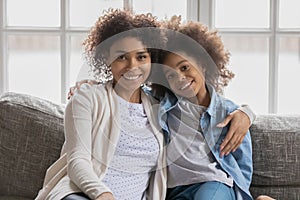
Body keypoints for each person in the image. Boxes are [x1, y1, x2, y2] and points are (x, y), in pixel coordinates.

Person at [35, 9, 167, 200]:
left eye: (141, 57)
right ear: (107, 58)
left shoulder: (159, 108)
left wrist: (227, 116)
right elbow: (77, 161)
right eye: (121, 56)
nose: (132, 66)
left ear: (151, 59)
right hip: (81, 195)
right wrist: (103, 194)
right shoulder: (86, 98)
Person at [153, 18, 274, 200]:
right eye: (171, 75)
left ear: (202, 63)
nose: (180, 78)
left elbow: (243, 163)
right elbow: (128, 93)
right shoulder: (163, 105)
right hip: (174, 190)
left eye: (185, 67)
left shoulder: (228, 112)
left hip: (212, 184)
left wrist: (247, 113)